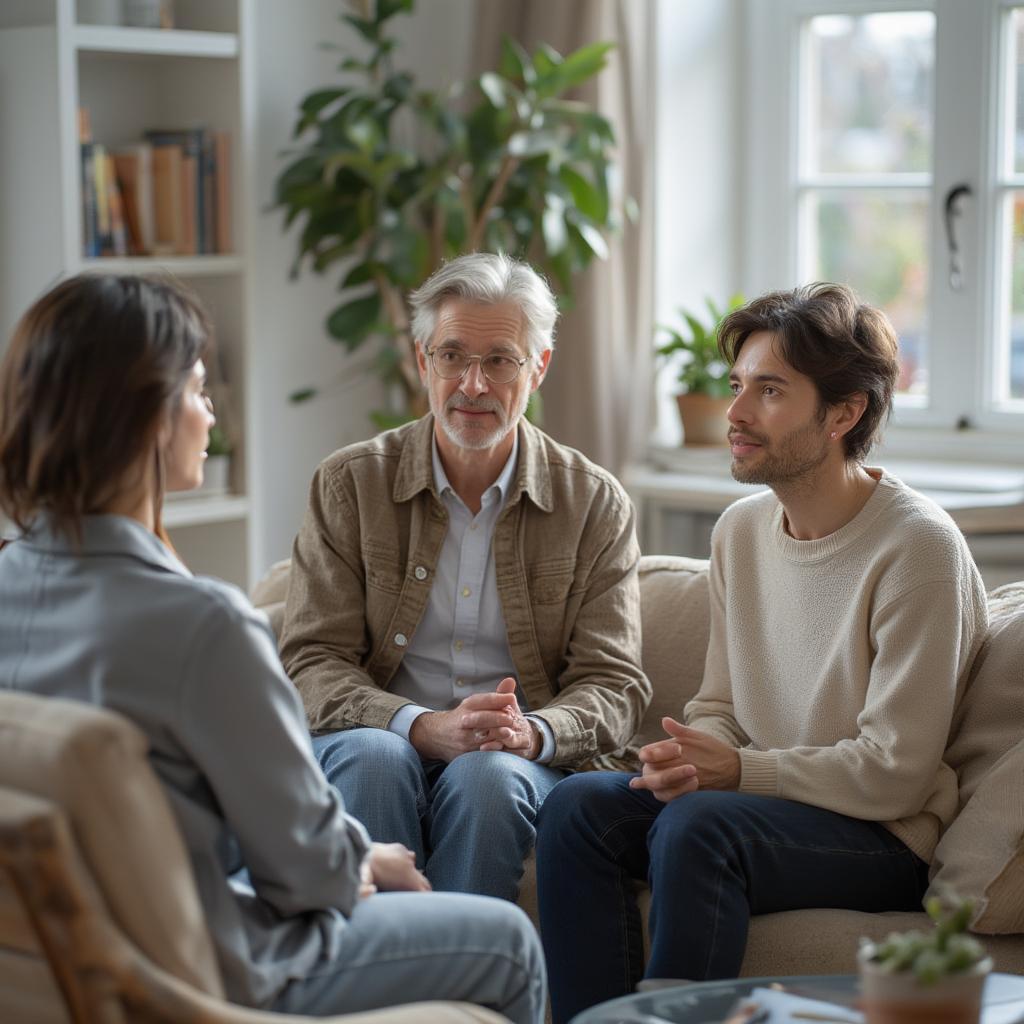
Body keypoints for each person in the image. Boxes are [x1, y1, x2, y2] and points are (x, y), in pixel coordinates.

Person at [0, 273, 545, 1023]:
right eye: (196, 390)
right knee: (509, 938)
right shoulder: (203, 625)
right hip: (206, 968)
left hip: (64, 962)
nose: (210, 413)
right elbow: (308, 876)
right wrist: (362, 860)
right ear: (148, 420)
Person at [535, 282, 989, 1023]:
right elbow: (720, 706)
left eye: (770, 391)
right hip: (763, 806)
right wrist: (693, 755)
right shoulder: (741, 531)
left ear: (844, 414)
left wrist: (739, 771)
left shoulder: (917, 548)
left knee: (699, 824)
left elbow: (896, 774)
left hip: (882, 835)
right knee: (579, 807)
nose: (737, 414)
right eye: (738, 385)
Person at [280, 252, 650, 901]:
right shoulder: (350, 483)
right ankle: (386, 986)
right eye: (452, 355)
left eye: (500, 359)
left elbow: (613, 683)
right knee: (375, 755)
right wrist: (419, 725)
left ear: (538, 367)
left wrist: (532, 732)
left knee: (488, 776)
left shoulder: (593, 502)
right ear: (424, 361)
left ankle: (459, 983)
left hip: (513, 761)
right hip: (378, 738)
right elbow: (312, 660)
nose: (473, 384)